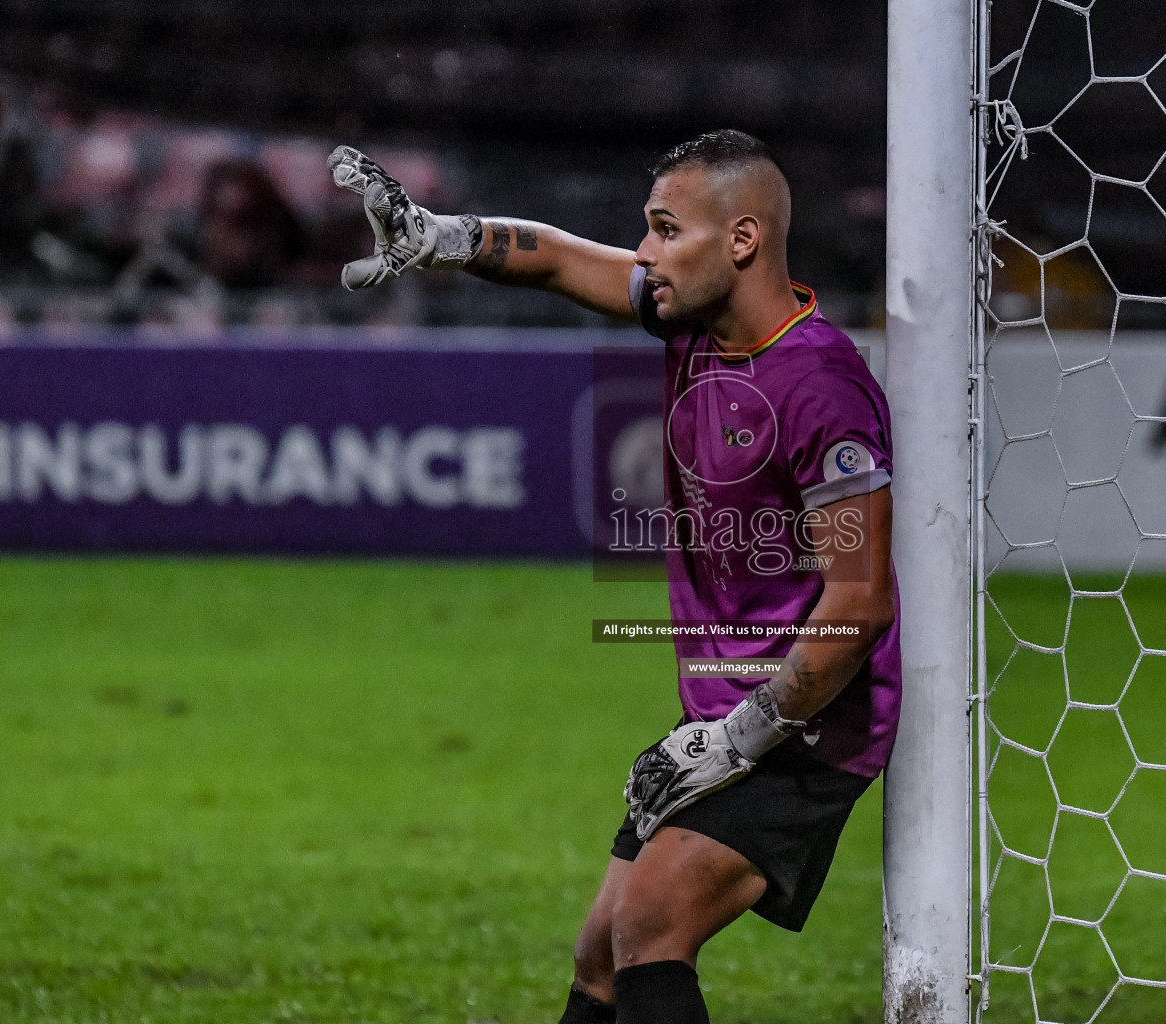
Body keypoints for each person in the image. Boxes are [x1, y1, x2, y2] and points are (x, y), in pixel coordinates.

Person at [328, 130, 901, 1024]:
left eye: (666, 230)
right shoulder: (690, 319)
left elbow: (858, 601)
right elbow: (556, 260)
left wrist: (745, 735)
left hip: (808, 719)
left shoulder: (820, 385)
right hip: (724, 714)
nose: (642, 253)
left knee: (650, 922)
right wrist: (441, 236)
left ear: (741, 241)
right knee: (603, 952)